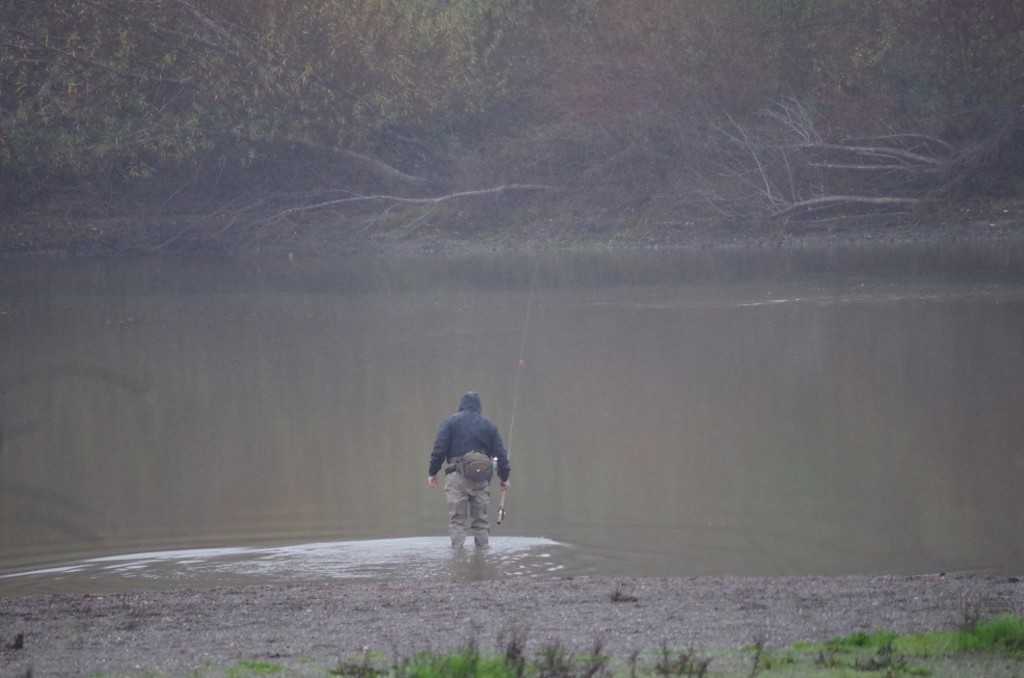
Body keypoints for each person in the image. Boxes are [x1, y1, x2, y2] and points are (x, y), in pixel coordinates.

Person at [428, 391, 511, 548]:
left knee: (457, 520)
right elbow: (501, 455)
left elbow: (439, 450)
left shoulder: (450, 422)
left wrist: (433, 472)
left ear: (461, 405)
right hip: (482, 479)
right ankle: (483, 554)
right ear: (479, 407)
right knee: (480, 520)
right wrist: (504, 477)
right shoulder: (489, 426)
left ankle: (458, 558)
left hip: (456, 476)